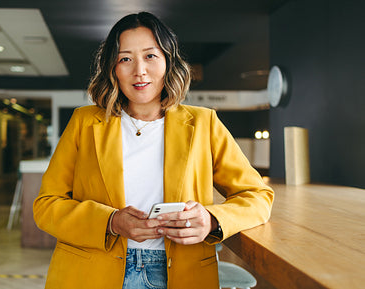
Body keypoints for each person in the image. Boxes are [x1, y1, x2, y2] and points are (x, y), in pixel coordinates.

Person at [33, 11, 274, 289]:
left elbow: (258, 196)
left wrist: (212, 220)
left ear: (168, 62)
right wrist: (111, 222)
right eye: (125, 58)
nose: (139, 71)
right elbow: (46, 205)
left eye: (150, 56)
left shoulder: (204, 123)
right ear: (112, 68)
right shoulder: (84, 122)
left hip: (182, 272)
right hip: (92, 272)